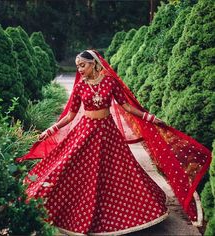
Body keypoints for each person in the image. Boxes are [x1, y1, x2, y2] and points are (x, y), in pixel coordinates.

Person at [16, 50, 211, 236]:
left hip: (108, 133)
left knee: (119, 171)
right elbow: (70, 115)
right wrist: (51, 130)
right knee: (69, 167)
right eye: (77, 66)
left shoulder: (110, 81)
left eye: (83, 65)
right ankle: (54, 206)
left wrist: (149, 118)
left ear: (94, 64)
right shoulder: (80, 86)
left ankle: (125, 212)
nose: (80, 70)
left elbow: (126, 106)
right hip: (85, 133)